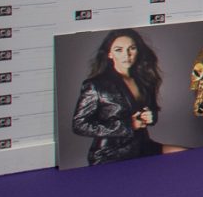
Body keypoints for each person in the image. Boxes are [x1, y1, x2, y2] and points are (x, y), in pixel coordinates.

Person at [69, 30, 164, 168]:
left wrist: (151, 116)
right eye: (119, 50)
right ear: (109, 54)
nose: (127, 55)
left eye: (132, 48)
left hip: (143, 146)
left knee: (185, 156)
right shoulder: (96, 85)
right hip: (111, 154)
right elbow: (79, 125)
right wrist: (128, 125)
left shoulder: (144, 80)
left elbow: (150, 109)